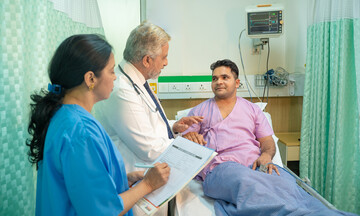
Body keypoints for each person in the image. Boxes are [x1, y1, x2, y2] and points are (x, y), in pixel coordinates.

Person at [183, 59, 356, 215]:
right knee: (246, 183)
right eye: (214, 78)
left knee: (287, 186)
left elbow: (267, 141)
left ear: (237, 83)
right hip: (222, 169)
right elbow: (184, 144)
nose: (218, 82)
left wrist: (266, 155)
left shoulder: (252, 110)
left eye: (224, 77)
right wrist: (189, 137)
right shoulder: (199, 111)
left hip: (256, 165)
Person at [26, 34, 170, 216]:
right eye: (111, 71)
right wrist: (148, 184)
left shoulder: (64, 116)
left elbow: (78, 184)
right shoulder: (81, 132)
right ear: (91, 79)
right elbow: (103, 211)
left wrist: (121, 181)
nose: (115, 78)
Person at [93, 22, 205, 174]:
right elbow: (150, 149)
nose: (166, 63)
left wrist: (173, 126)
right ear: (147, 60)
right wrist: (187, 145)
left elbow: (145, 122)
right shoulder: (121, 90)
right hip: (133, 176)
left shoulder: (138, 81)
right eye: (164, 57)